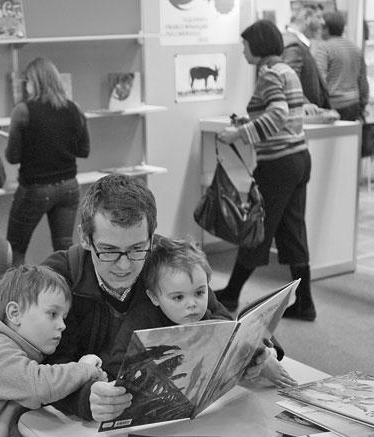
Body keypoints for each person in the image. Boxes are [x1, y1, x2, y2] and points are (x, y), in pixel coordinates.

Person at [41, 174, 271, 422]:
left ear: (151, 237)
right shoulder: (57, 278)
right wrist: (84, 399)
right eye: (109, 250)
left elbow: (217, 317)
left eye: (137, 248)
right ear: (85, 238)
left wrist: (249, 353)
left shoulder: (166, 261)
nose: (124, 265)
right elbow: (39, 367)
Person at [216, 20, 316, 322]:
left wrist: (239, 133)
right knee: (293, 231)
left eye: (245, 46)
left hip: (278, 165)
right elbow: (282, 117)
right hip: (298, 158)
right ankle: (305, 303)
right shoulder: (287, 70)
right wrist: (248, 125)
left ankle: (231, 294)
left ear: (257, 46)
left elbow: (277, 115)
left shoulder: (269, 73)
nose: (243, 51)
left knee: (256, 228)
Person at [110, 236, 296, 388]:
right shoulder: (141, 320)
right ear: (154, 297)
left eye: (199, 292)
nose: (192, 304)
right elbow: (116, 365)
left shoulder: (207, 317)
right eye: (178, 297)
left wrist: (259, 356)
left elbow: (235, 338)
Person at [0, 265, 106, 437]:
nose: (62, 325)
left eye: (64, 317)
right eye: (53, 314)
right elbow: (40, 387)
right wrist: (84, 369)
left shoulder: (24, 350)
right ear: (14, 313)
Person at [5, 57, 90, 265]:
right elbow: (84, 151)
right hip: (69, 187)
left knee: (15, 248)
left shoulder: (23, 111)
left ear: (33, 81)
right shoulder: (74, 109)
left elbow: (12, 157)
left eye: (27, 81)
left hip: (35, 188)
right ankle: (68, 286)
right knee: (64, 250)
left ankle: (16, 287)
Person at [314, 10, 369, 121]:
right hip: (353, 103)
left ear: (326, 29)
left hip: (333, 105)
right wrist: (363, 103)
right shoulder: (355, 48)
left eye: (321, 28)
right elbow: (362, 80)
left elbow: (320, 80)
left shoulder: (323, 48)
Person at [282, 3, 330, 109]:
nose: (323, 22)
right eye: (318, 17)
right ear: (306, 18)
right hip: (303, 113)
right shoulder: (293, 45)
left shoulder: (297, 43)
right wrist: (305, 104)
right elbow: (289, 83)